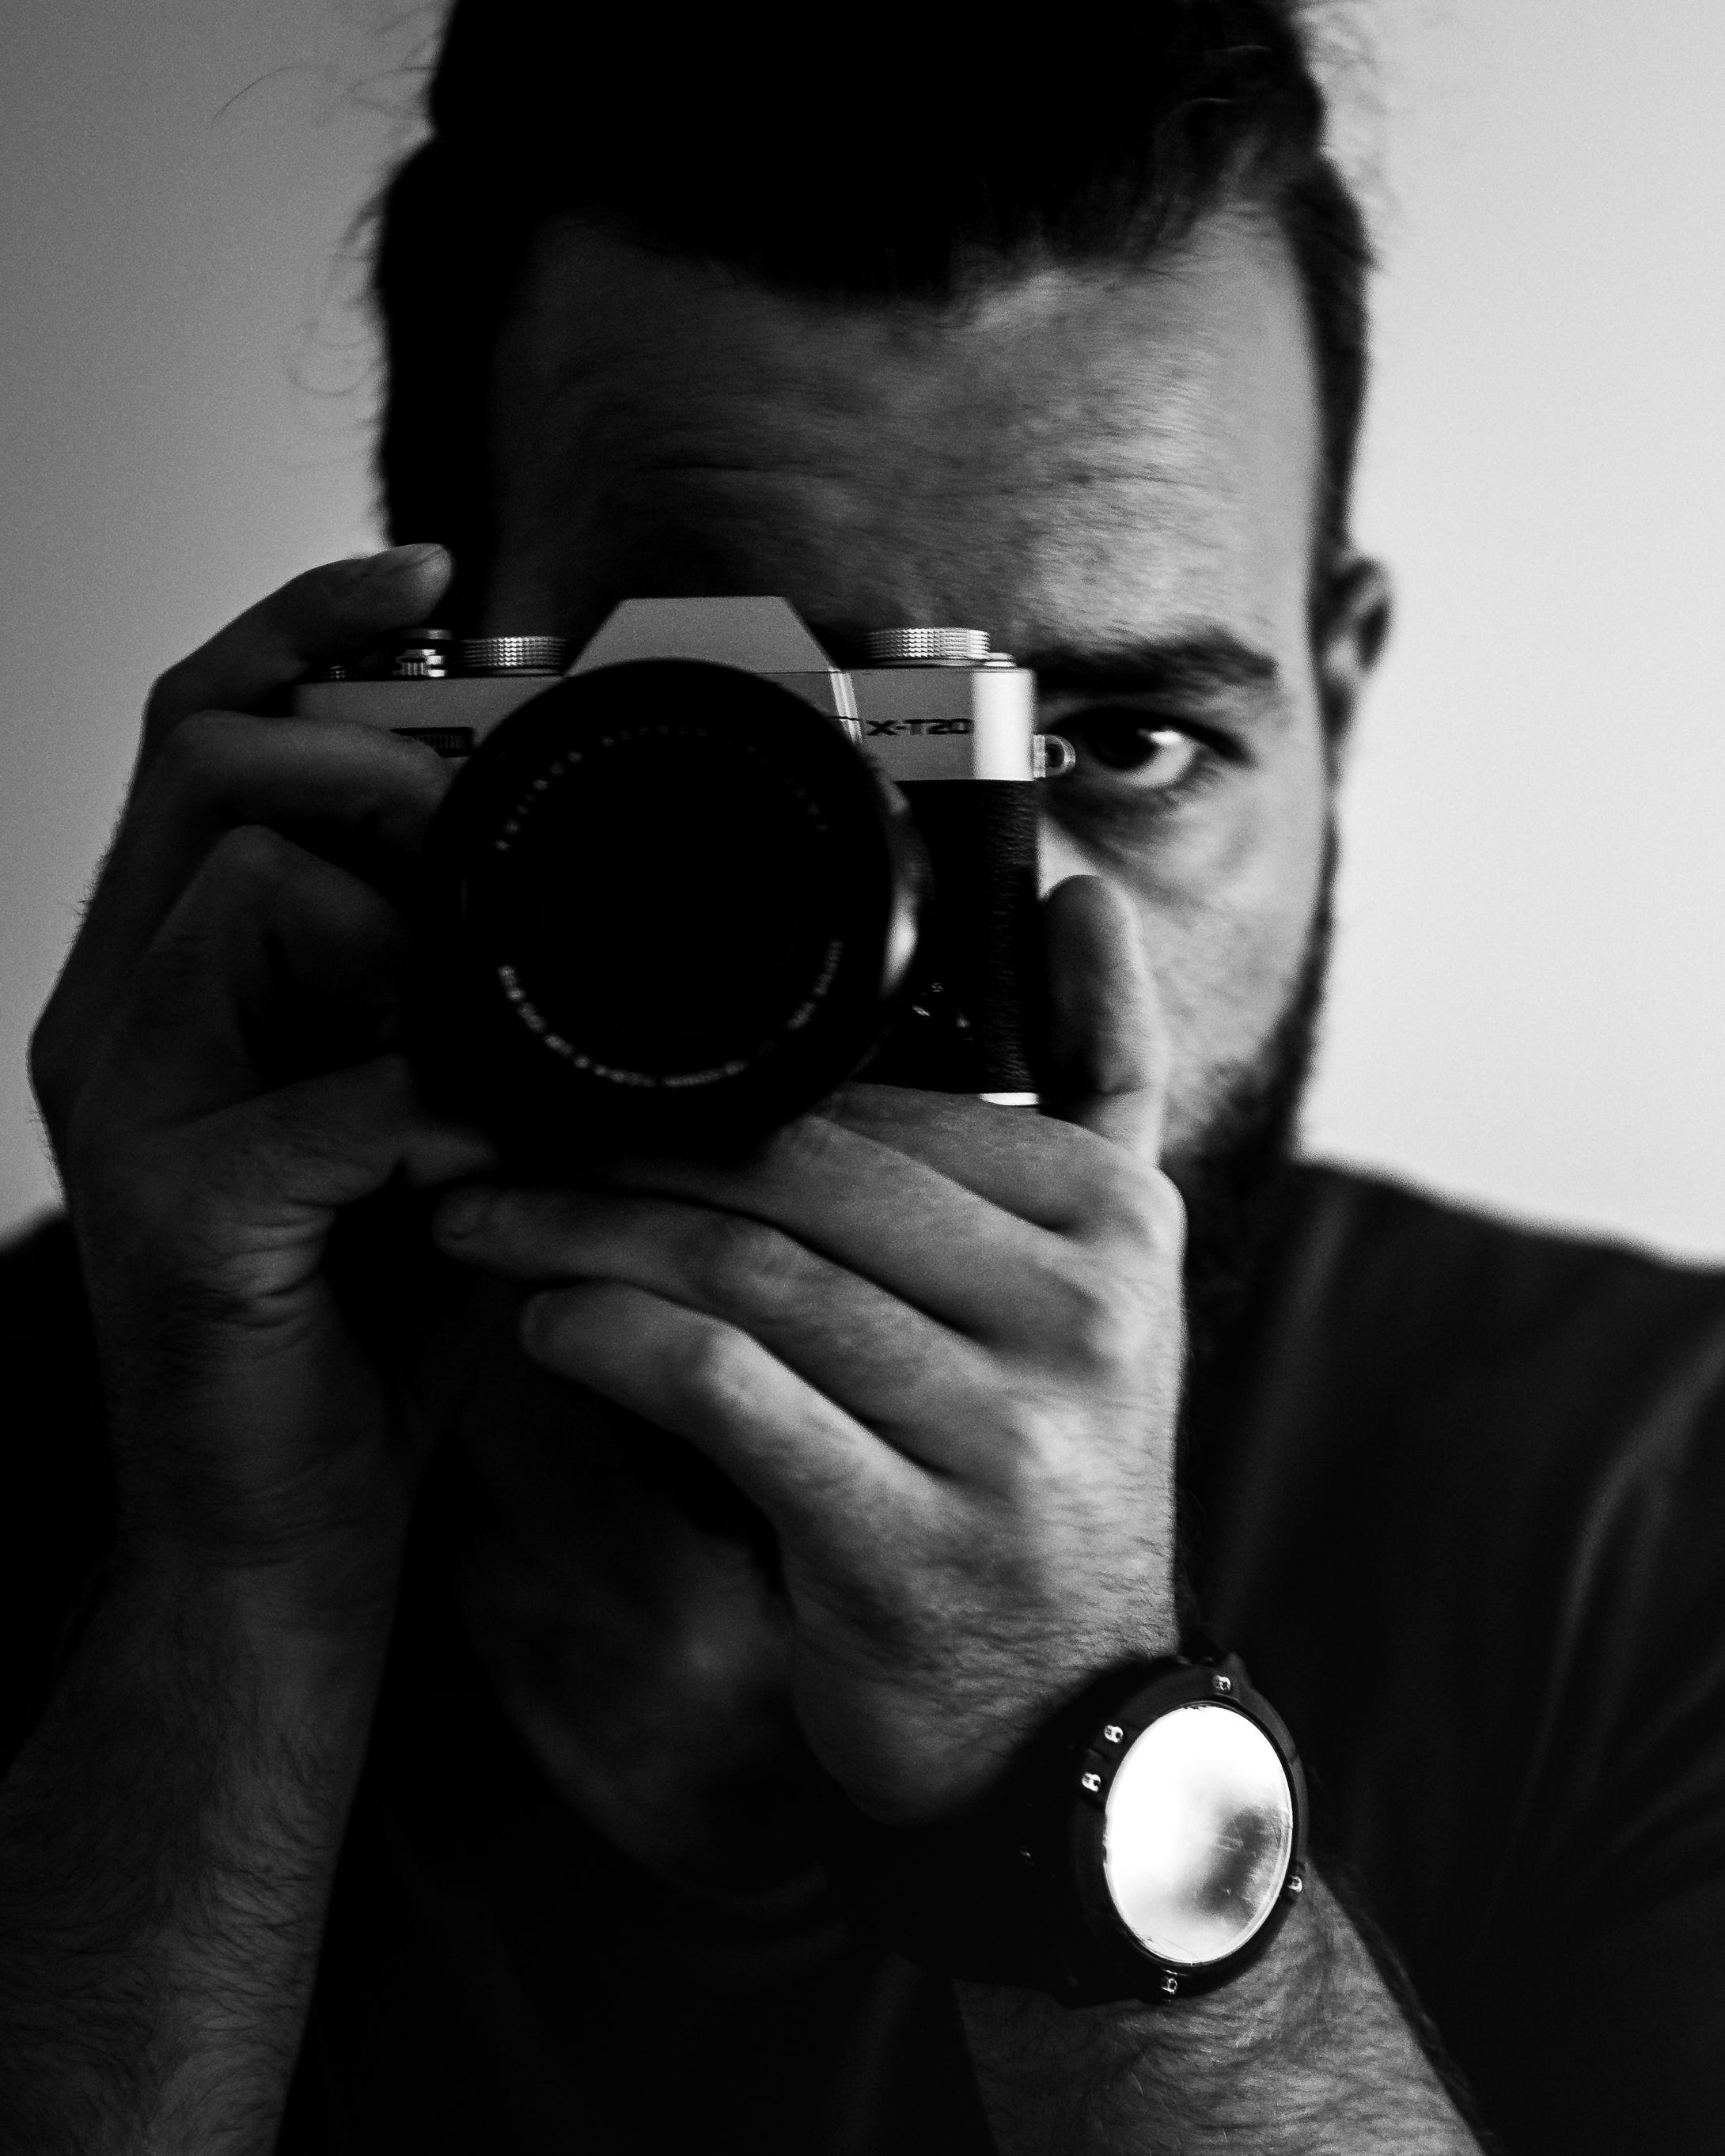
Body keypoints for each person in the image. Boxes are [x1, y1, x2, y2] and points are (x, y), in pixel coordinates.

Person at [3, 4, 1723, 2150]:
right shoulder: (57, 1439)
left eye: (1113, 745)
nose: (934, 930)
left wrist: (1066, 1717)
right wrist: (225, 1609)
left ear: (1335, 709)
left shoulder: (1657, 1514)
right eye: (755, 752)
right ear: (429, 711)